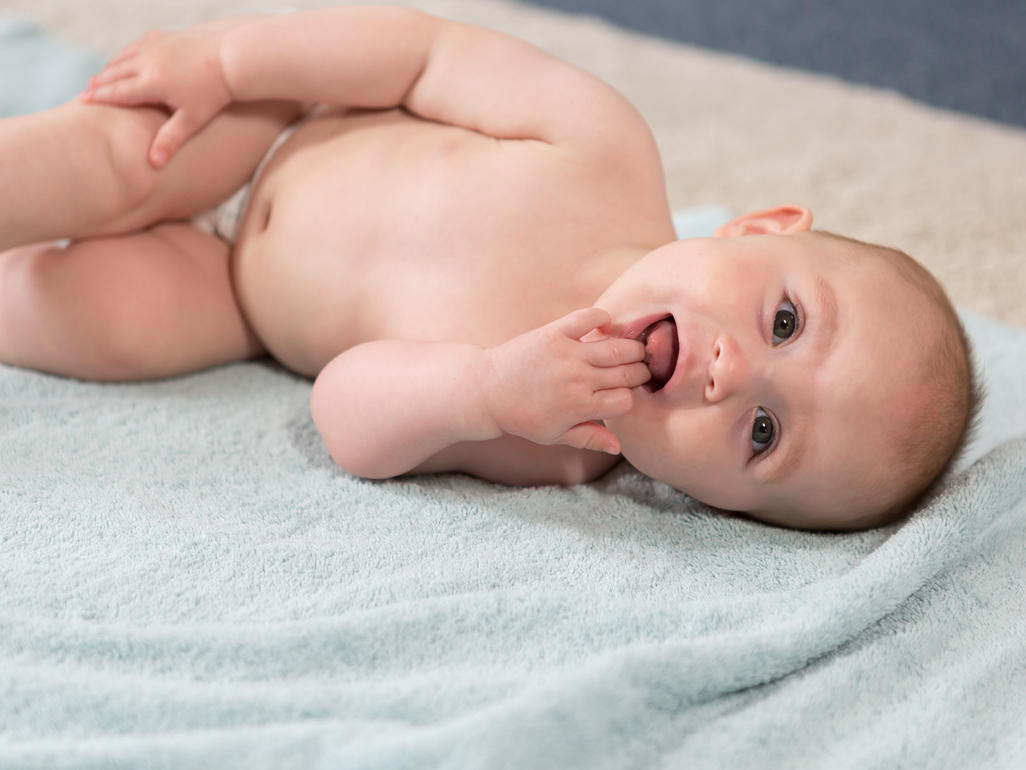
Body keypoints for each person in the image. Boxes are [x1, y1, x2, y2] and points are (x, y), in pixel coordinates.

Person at [0, 6, 979, 530]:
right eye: (785, 323)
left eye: (764, 433)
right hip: (269, 134)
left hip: (231, 303)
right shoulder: (606, 149)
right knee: (109, 166)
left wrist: (479, 392)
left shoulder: (553, 440)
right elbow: (421, 54)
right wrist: (230, 61)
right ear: (760, 231)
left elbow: (343, 409)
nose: (734, 376)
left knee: (88, 321)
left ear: (713, 502)